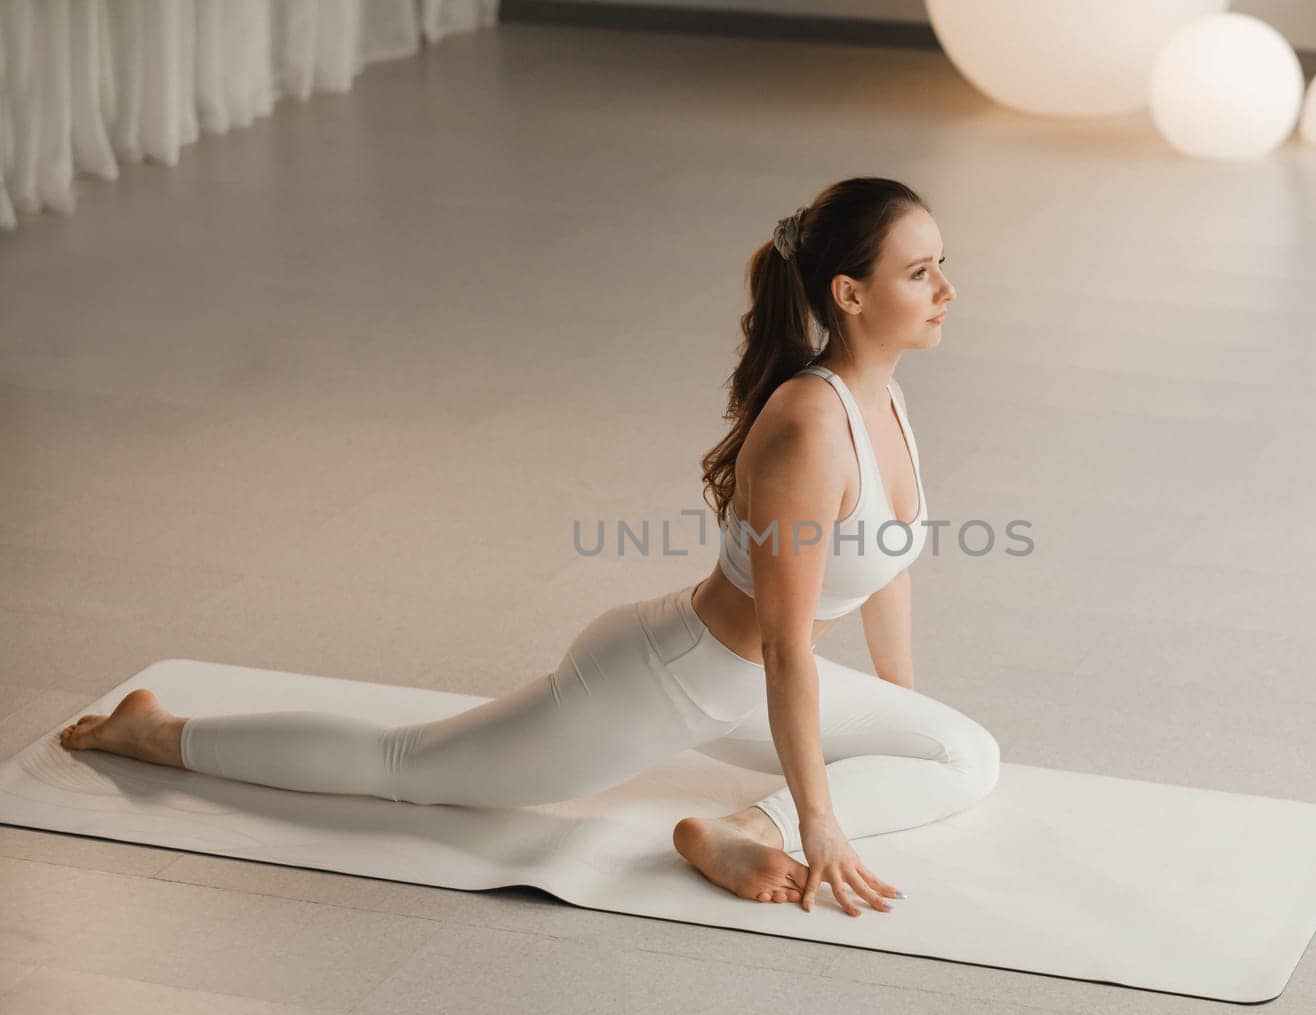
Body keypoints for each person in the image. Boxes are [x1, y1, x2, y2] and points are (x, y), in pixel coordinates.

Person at [57, 176, 996, 919]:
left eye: (941, 264)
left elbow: (887, 573)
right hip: (662, 679)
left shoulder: (889, 396)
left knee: (962, 753)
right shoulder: (809, 426)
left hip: (746, 688)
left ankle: (735, 826)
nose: (948, 288)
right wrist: (826, 825)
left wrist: (897, 721)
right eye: (921, 273)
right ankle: (156, 733)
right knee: (406, 768)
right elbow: (790, 647)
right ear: (850, 293)